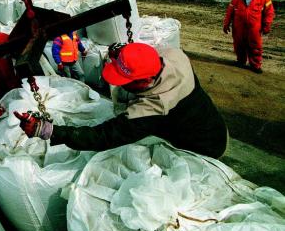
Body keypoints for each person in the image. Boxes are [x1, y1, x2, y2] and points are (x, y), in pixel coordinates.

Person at [15, 43, 228, 158]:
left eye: (125, 81)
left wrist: (47, 130)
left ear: (144, 82)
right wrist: (126, 53)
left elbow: (103, 137)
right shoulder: (175, 56)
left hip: (204, 148)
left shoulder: (154, 108)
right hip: (215, 125)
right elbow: (145, 53)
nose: (120, 85)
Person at [223, 0, 275, 73]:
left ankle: (255, 65)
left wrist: (266, 25)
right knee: (239, 45)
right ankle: (241, 61)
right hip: (238, 28)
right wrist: (226, 24)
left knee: (255, 46)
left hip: (254, 28)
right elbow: (229, 12)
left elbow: (270, 12)